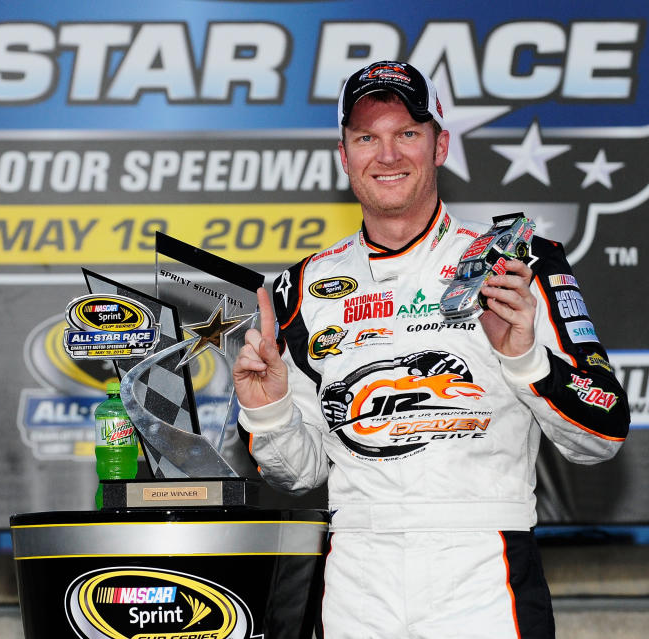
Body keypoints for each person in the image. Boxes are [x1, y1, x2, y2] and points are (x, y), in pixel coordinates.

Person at [233, 60, 630, 639]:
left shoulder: (517, 261)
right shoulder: (299, 290)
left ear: (440, 145)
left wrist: (524, 359)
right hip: (354, 579)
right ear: (344, 156)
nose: (387, 156)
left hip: (483, 572)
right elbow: (301, 473)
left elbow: (603, 433)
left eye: (407, 134)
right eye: (367, 137)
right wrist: (268, 411)